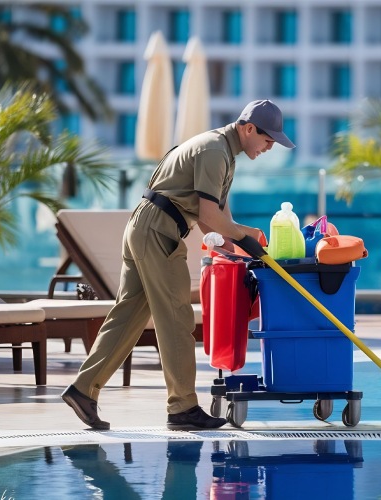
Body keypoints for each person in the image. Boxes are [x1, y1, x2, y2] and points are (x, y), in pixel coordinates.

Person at [62, 100, 295, 430]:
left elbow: (214, 222)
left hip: (144, 228)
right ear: (248, 129)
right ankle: (182, 407)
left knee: (128, 315)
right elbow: (209, 216)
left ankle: (83, 390)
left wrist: (243, 248)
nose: (270, 147)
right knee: (175, 319)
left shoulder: (220, 150)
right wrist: (247, 237)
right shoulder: (216, 152)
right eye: (268, 140)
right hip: (159, 233)